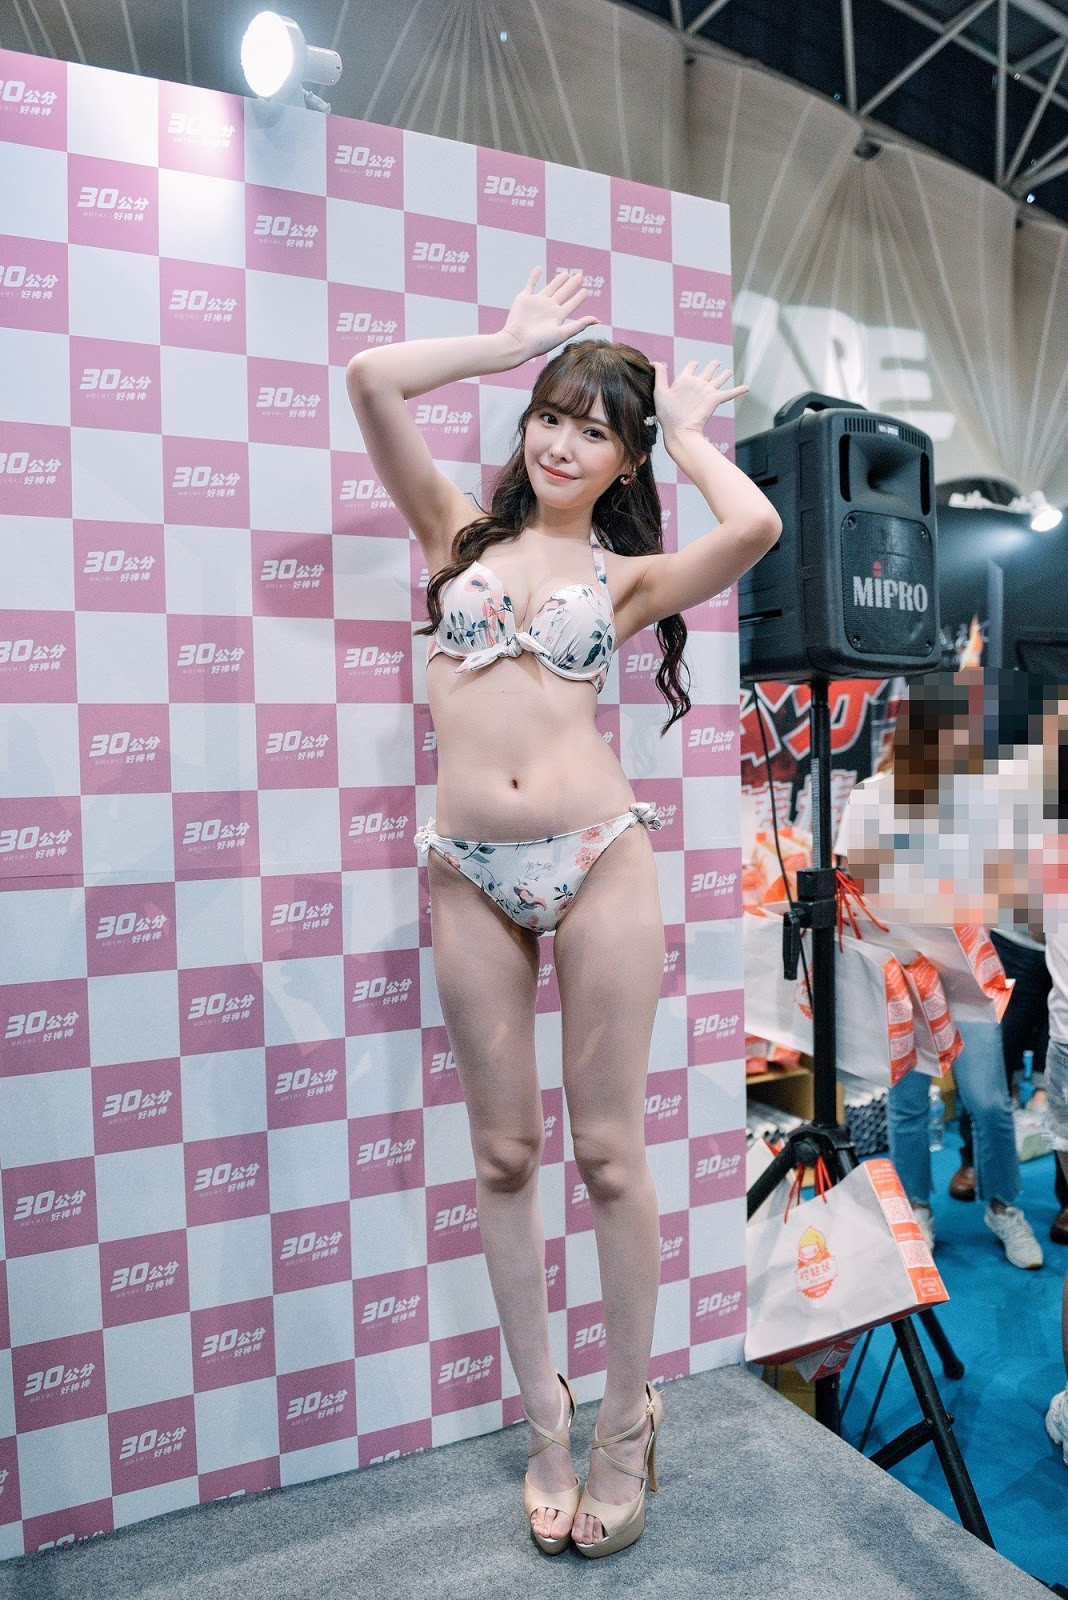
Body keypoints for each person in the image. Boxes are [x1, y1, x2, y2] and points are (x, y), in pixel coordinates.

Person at [346, 269, 781, 1556]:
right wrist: (505, 344)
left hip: (598, 858)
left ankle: (625, 1423)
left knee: (607, 1154)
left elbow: (756, 526)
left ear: (622, 458)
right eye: (550, 414)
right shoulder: (453, 534)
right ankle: (546, 1418)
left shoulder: (627, 577)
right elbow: (371, 379)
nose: (561, 442)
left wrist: (687, 434)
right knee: (502, 1155)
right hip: (468, 867)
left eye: (595, 429)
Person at [835, 675, 1043, 1269]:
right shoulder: (872, 798)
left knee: (989, 1101)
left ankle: (1003, 1207)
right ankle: (917, 1208)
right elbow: (851, 882)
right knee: (907, 1103)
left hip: (965, 973)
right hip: (901, 975)